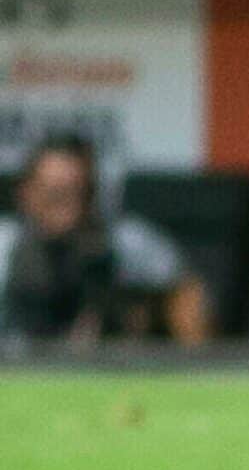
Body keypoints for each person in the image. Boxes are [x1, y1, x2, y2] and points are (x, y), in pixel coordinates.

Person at [0, 134, 208, 347]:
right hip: (17, 370)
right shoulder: (5, 244)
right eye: (57, 194)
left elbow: (186, 291)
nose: (72, 208)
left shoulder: (127, 241)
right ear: (26, 194)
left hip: (108, 368)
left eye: (83, 193)